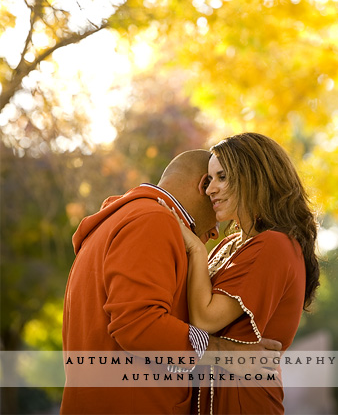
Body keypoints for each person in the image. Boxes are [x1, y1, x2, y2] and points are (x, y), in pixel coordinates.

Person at [61, 149, 281, 415]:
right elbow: (139, 324)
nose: (212, 235)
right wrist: (229, 353)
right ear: (205, 185)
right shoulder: (153, 220)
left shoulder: (120, 219)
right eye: (214, 225)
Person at [167, 133, 320, 414]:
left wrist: (195, 249)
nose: (210, 189)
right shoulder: (230, 245)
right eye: (208, 180)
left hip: (244, 403)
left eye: (222, 177)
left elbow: (204, 318)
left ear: (253, 177)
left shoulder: (274, 245)